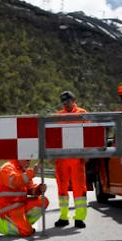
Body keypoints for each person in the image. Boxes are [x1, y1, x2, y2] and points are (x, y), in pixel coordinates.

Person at [0, 159, 48, 237]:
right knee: (27, 232)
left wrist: (39, 189)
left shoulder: (22, 170)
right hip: (9, 209)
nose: (28, 162)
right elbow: (15, 182)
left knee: (43, 201)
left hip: (21, 206)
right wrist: (32, 172)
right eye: (26, 160)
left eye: (29, 160)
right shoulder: (7, 168)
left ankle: (23, 224)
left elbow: (30, 189)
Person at [54, 90, 88, 229]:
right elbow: (53, 137)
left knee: (79, 188)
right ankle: (63, 217)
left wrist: (87, 153)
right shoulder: (58, 116)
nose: (65, 104)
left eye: (67, 101)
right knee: (62, 188)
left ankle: (79, 218)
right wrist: (52, 155)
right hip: (61, 158)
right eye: (63, 102)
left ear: (74, 100)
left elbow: (89, 133)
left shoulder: (82, 113)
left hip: (77, 157)